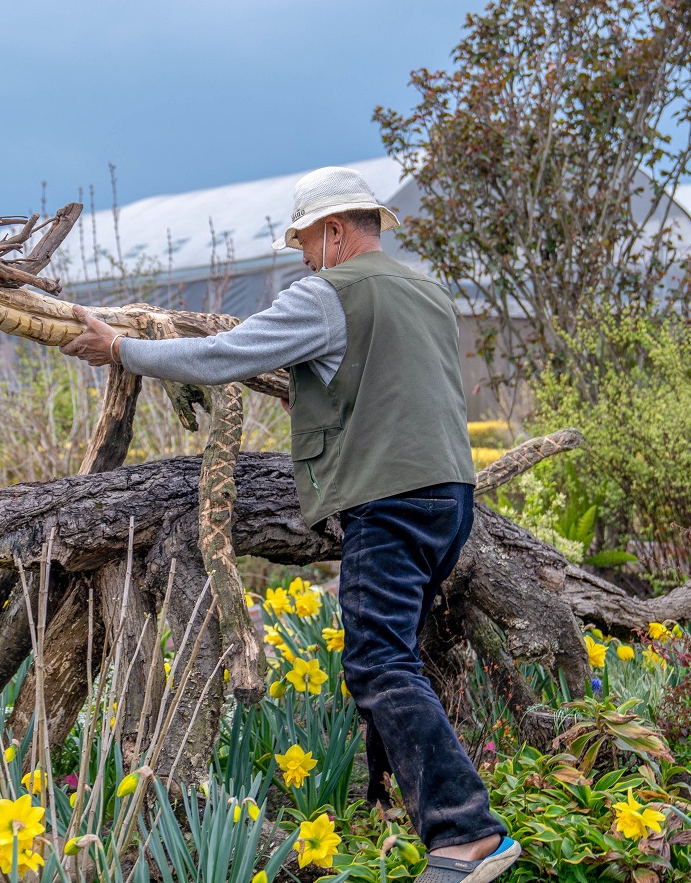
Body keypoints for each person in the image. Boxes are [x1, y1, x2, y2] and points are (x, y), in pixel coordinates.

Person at [59, 166, 519, 883]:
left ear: (334, 231)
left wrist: (122, 350)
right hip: (450, 498)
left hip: (390, 501)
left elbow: (223, 354)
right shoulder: (427, 291)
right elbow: (389, 387)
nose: (303, 258)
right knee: (396, 654)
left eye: (304, 241)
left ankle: (468, 835)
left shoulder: (328, 295)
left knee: (378, 662)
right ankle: (390, 811)